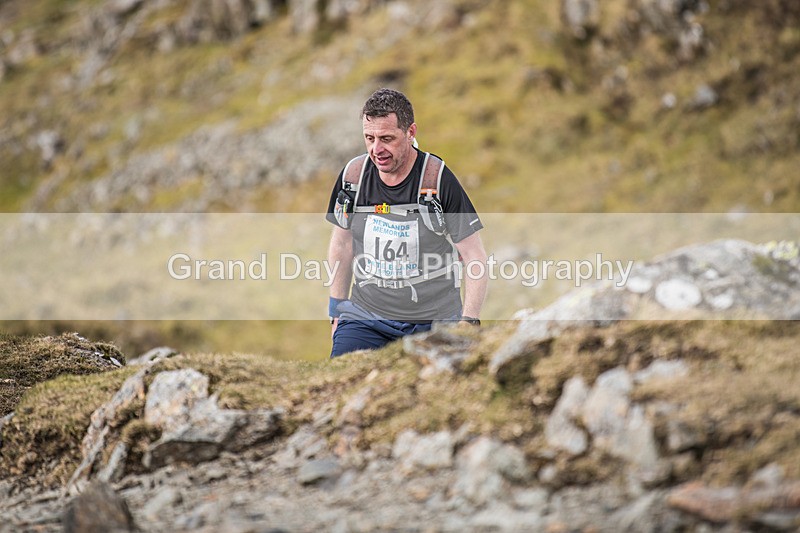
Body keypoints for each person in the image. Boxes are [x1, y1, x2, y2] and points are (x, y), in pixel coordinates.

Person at [325, 88, 487, 358]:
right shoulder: (353, 177)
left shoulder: (437, 179)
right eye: (369, 138)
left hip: (433, 320)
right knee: (340, 388)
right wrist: (336, 309)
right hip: (365, 318)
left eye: (387, 138)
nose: (377, 150)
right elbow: (341, 244)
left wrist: (468, 322)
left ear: (410, 132)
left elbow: (474, 256)